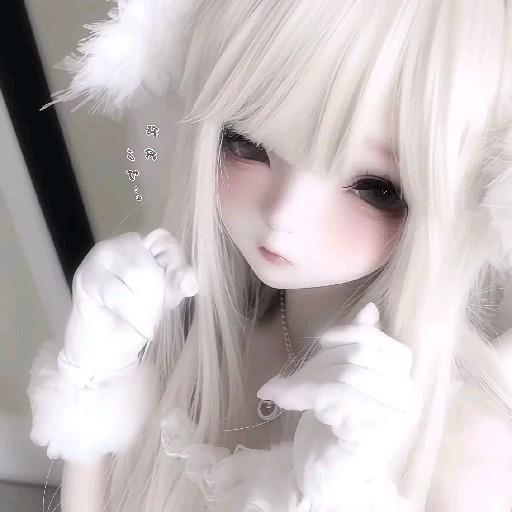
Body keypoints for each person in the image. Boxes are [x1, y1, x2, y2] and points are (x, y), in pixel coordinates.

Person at [27, 0, 512, 510]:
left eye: (375, 187)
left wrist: (341, 494)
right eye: (247, 143)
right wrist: (94, 373)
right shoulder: (192, 344)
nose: (283, 215)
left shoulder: (469, 444)